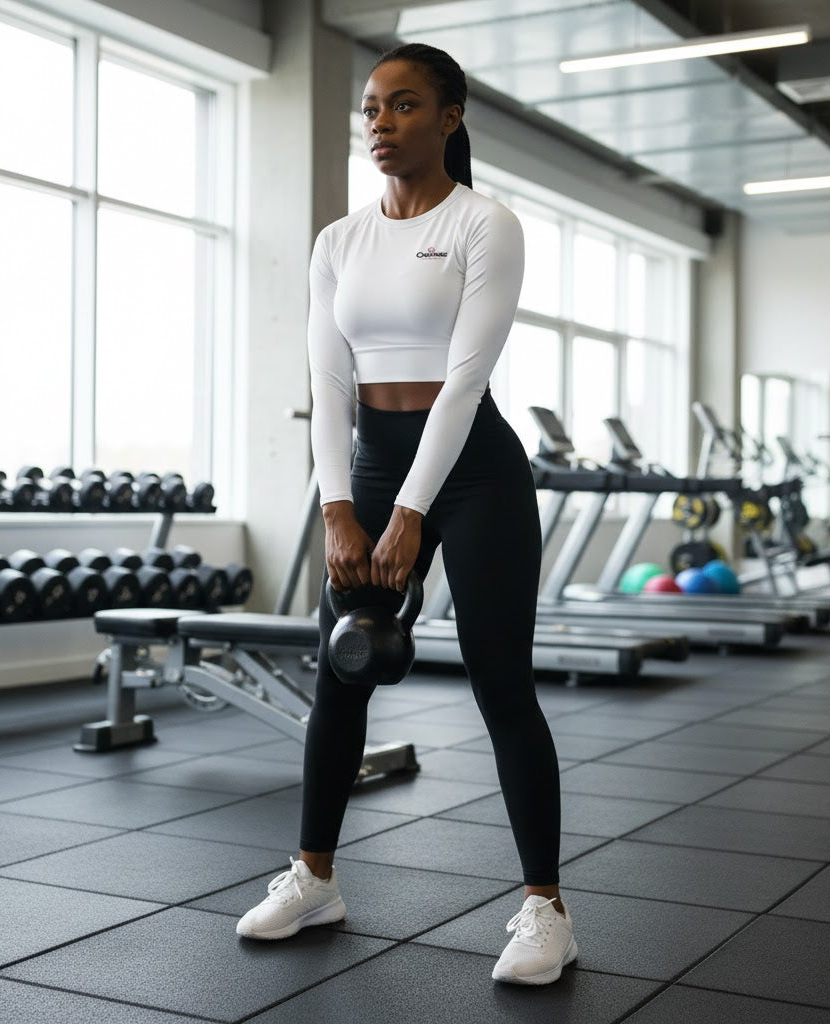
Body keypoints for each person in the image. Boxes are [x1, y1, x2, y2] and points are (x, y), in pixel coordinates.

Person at [236, 42, 575, 986]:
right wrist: (341, 507)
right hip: (373, 465)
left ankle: (545, 909)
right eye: (373, 109)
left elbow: (465, 382)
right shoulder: (338, 242)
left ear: (451, 118)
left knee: (500, 682)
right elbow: (329, 379)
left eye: (405, 106)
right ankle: (314, 876)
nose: (382, 123)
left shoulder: (485, 225)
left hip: (473, 471)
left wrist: (411, 512)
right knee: (339, 673)